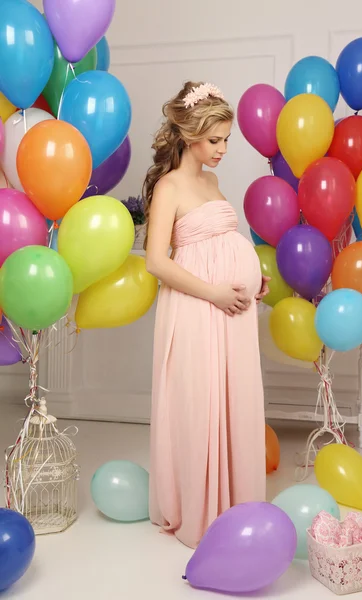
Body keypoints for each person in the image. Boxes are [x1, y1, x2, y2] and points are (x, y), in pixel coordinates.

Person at [144, 81, 269, 549]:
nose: (222, 151)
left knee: (231, 397)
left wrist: (254, 277)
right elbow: (158, 261)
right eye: (214, 140)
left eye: (226, 141)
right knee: (200, 400)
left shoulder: (213, 183)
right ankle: (200, 506)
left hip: (230, 310)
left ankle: (235, 502)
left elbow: (221, 243)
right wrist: (215, 292)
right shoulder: (170, 187)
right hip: (198, 307)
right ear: (188, 134)